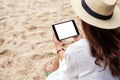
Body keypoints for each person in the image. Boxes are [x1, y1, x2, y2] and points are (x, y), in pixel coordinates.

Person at [45, 0, 120, 80]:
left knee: (50, 69)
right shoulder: (115, 43)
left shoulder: (78, 50)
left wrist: (58, 48)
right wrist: (81, 41)